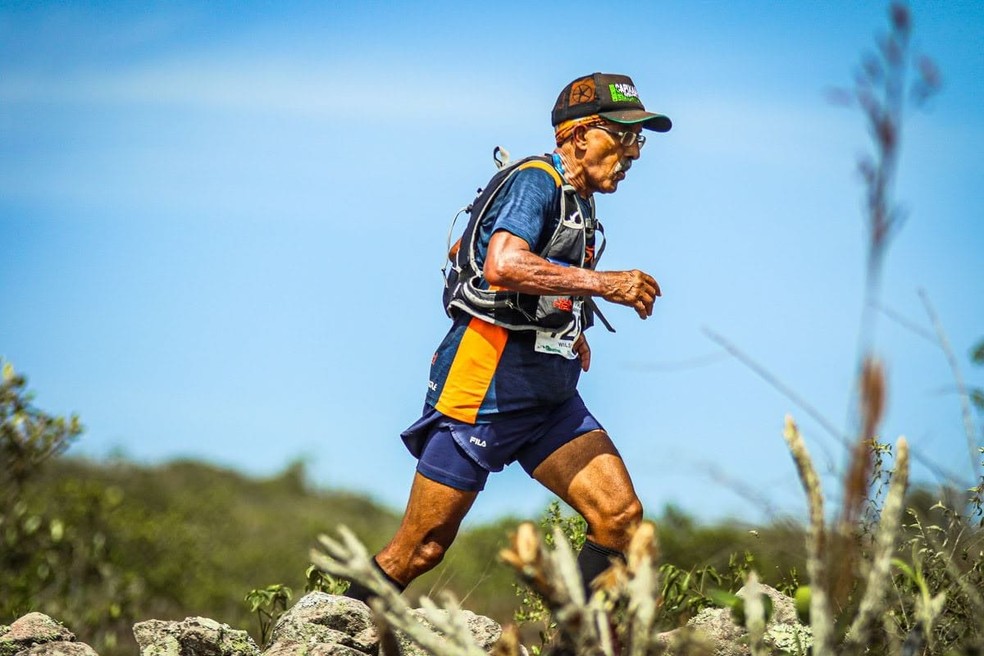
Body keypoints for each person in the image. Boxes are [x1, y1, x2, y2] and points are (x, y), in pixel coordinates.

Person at [344, 72, 671, 602]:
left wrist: (569, 323)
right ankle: (324, 632)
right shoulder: (536, 181)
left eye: (639, 138)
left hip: (550, 395)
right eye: (623, 134)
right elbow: (502, 264)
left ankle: (577, 639)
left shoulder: (578, 198)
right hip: (486, 387)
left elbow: (495, 261)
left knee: (620, 518)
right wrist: (605, 284)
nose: (633, 151)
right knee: (421, 549)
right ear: (579, 135)